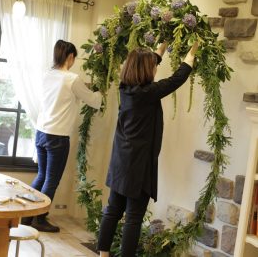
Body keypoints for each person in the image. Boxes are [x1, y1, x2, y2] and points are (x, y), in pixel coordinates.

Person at [97, 41, 199, 256]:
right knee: (133, 217)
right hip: (138, 164)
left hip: (120, 159)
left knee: (113, 210)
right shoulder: (148, 92)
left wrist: (159, 51)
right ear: (147, 70)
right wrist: (191, 55)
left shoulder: (125, 88)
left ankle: (102, 253)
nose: (154, 69)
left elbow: (144, 67)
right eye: (152, 66)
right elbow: (175, 80)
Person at [22, 39, 102, 232]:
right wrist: (101, 89)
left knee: (41, 175)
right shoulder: (72, 79)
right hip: (57, 137)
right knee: (51, 179)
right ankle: (40, 219)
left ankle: (26, 216)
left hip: (41, 132)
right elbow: (93, 100)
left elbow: (67, 93)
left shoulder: (48, 75)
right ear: (70, 56)